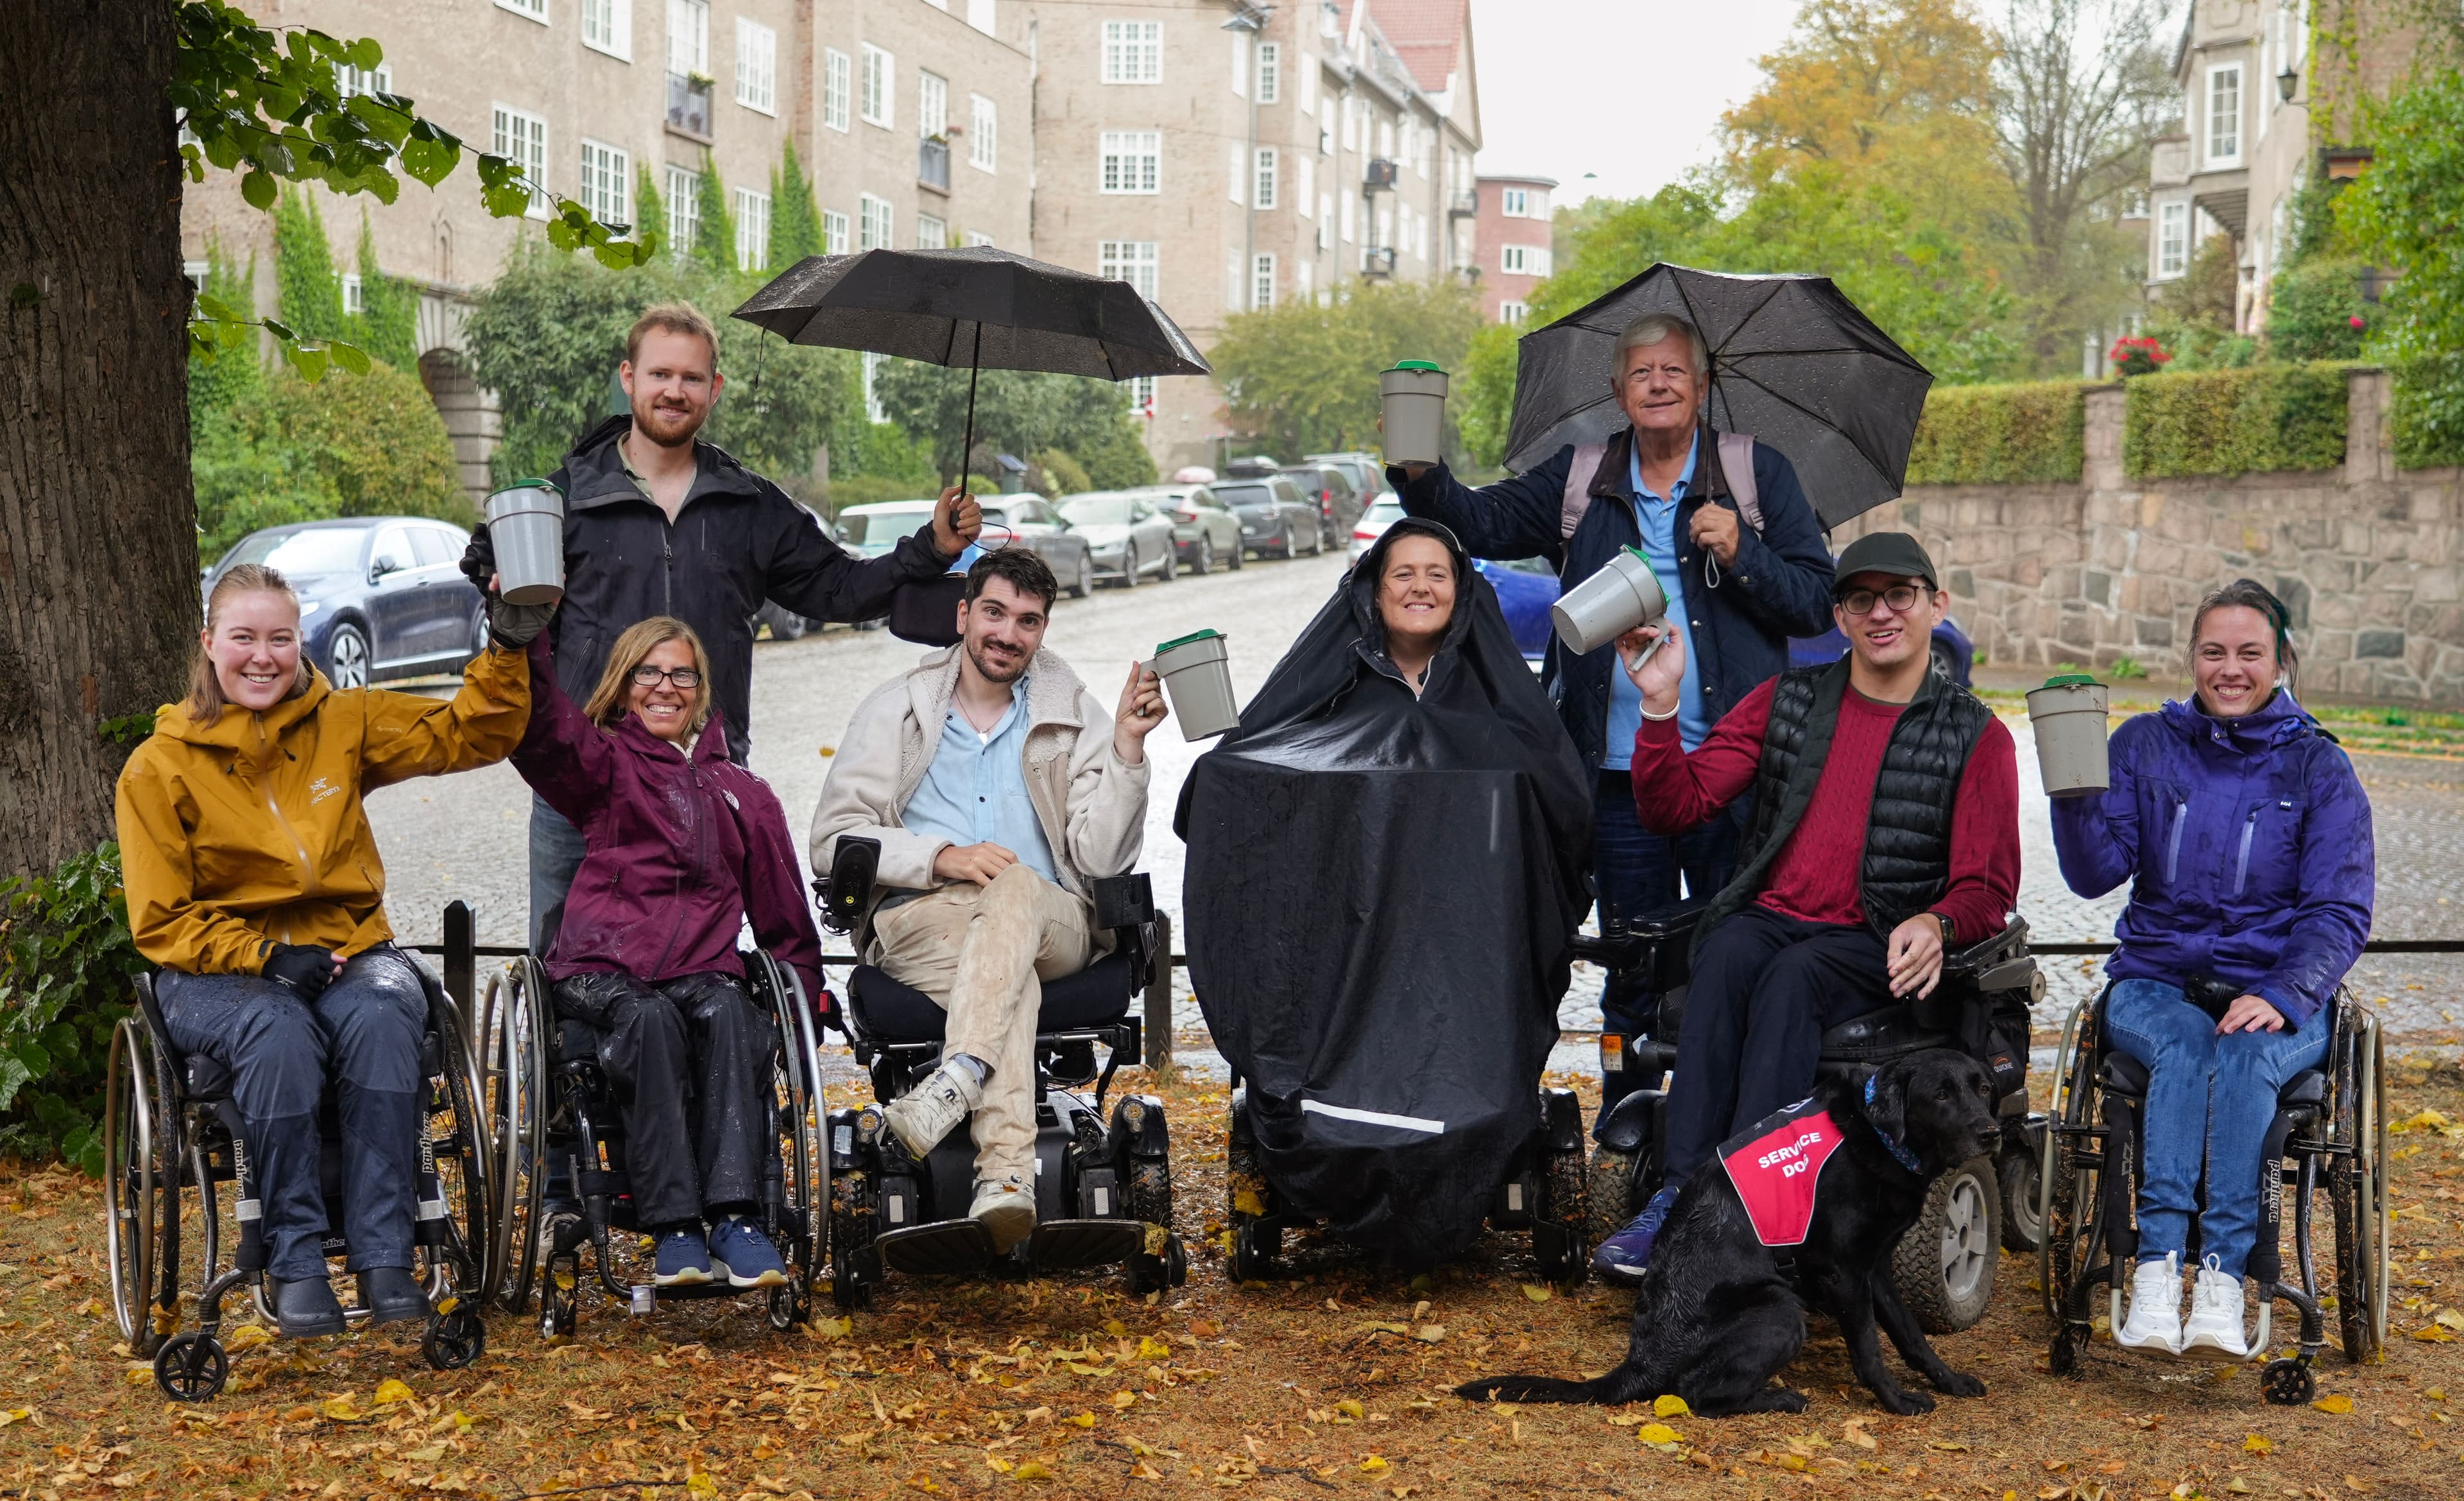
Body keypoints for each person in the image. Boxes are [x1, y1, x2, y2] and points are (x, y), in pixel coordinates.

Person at [1388, 313, 1836, 1120]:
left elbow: (1813, 605)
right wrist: (1421, 473)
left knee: (1738, 957)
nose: (1658, 384)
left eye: (1673, 371)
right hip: (1617, 780)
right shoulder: (1582, 478)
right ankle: (1629, 1131)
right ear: (1618, 391)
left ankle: (1731, 1135)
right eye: (1641, 373)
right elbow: (1479, 522)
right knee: (1631, 968)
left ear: (1701, 387)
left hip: (1735, 779)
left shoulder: (1753, 474)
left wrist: (1744, 554)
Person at [458, 302, 984, 945]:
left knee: (699, 956)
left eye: (691, 378)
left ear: (715, 388)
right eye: (660, 374)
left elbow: (840, 587)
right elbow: (512, 618)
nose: (674, 391)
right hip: (585, 776)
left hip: (702, 773)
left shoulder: (748, 505)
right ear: (630, 378)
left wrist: (928, 548)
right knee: (566, 959)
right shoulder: (566, 501)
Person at [115, 564, 542, 1336]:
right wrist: (265, 956)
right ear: (209, 644)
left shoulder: (344, 722)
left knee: (384, 1015)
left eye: (280, 637)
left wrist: (506, 643)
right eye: (242, 637)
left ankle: (386, 1254)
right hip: (214, 970)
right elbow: (161, 918)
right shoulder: (158, 766)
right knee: (278, 1031)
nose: (262, 656)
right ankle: (296, 1259)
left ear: (300, 641)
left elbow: (473, 731)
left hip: (348, 948)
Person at [1588, 532, 2020, 1280]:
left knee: (1795, 974)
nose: (1881, 612)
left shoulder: (1975, 736)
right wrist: (1659, 707)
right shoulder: (1787, 701)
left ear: (1935, 604)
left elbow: (1989, 888)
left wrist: (1937, 921)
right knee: (1723, 949)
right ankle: (1678, 1195)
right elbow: (1676, 806)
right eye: (1862, 598)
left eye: (1900, 595)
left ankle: (1748, 1210)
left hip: (1877, 939)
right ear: (1840, 616)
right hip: (1775, 914)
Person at [1172, 518, 1595, 1261]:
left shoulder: (1495, 697)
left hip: (1465, 945)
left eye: (1438, 572)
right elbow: (1256, 756)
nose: (1421, 587)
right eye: (1404, 573)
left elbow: (1556, 795)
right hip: (1348, 937)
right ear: (1373, 588)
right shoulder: (1330, 682)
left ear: (1461, 593)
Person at [808, 549, 1167, 1251]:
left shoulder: (1074, 714)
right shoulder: (897, 708)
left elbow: (1102, 859)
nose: (1009, 633)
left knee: (1015, 888)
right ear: (965, 614)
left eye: (1028, 620)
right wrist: (940, 856)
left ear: (1043, 629)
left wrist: (1127, 748)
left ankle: (959, 1076)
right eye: (996, 612)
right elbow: (833, 841)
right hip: (924, 918)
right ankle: (1005, 1177)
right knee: (1010, 977)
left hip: (1052, 920)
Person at [2051, 580, 2372, 1359]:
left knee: (2244, 1052)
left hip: (2274, 984)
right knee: (2187, 1042)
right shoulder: (2143, 745)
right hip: (2157, 975)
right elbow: (2094, 874)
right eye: (2213, 652)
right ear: (2192, 657)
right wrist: (2073, 790)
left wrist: (2285, 990)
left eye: (2249, 653)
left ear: (2281, 660)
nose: (2230, 668)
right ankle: (2160, 1268)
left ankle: (2225, 1279)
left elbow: (2339, 908)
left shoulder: (2319, 769)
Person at [511, 614, 826, 1289]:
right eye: (647, 672)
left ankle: (738, 1220)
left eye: (681, 672)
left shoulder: (746, 793)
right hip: (601, 971)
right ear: (625, 687)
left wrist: (800, 1018)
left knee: (735, 1016)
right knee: (649, 1018)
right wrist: (523, 637)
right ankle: (676, 1225)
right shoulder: (605, 767)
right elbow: (541, 734)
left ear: (702, 689)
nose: (664, 686)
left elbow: (785, 921)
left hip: (701, 971)